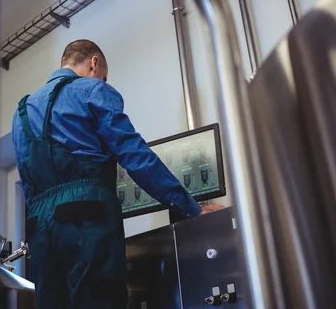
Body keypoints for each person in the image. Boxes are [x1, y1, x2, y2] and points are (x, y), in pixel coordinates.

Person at [12, 39, 219, 308]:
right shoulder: (93, 89)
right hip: (86, 220)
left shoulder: (22, 111)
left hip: (40, 227)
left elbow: (28, 184)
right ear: (94, 63)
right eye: (104, 76)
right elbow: (136, 156)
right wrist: (190, 208)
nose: (104, 81)